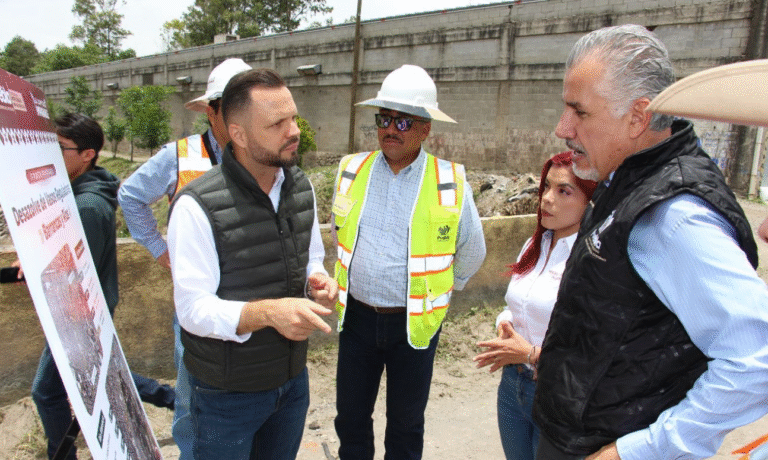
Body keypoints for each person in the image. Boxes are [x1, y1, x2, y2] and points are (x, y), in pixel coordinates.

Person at [532, 24, 768, 460]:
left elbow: (756, 358)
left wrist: (638, 450)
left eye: (579, 112)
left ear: (638, 117)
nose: (563, 128)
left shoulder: (674, 216)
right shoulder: (626, 180)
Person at [167, 68, 338, 459]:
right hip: (225, 396)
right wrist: (268, 313)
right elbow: (192, 310)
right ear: (239, 134)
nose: (293, 131)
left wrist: (317, 280)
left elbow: (312, 257)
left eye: (293, 118)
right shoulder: (197, 206)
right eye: (277, 124)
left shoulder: (301, 186)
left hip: (291, 383)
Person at [332, 64, 486, 460]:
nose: (390, 129)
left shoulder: (449, 181)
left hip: (413, 324)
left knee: (405, 424)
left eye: (402, 122)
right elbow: (338, 232)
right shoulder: (351, 170)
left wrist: (441, 290)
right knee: (351, 417)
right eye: (384, 119)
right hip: (357, 319)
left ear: (425, 129)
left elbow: (472, 250)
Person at [117, 57, 251, 459]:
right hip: (196, 299)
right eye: (232, 107)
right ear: (211, 111)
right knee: (193, 391)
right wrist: (160, 250)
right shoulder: (178, 156)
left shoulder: (259, 154)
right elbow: (131, 196)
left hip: (249, 297)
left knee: (245, 390)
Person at [31, 113, 174, 460]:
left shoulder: (88, 206)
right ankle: (175, 399)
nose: (51, 154)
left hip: (78, 314)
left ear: (87, 154)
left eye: (60, 147)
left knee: (47, 392)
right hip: (81, 311)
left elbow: (79, 271)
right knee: (108, 377)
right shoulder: (78, 193)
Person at [473, 152, 597, 460]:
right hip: (513, 384)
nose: (546, 198)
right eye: (546, 187)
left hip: (558, 394)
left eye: (563, 191)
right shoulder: (535, 245)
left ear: (589, 202)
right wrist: (505, 326)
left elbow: (595, 347)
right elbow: (516, 305)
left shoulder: (592, 260)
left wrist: (531, 354)